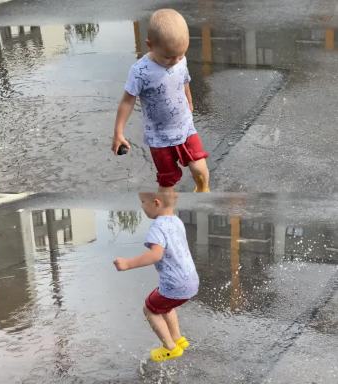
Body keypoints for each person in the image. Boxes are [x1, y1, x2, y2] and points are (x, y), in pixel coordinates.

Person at [113, 9, 210, 192]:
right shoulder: (140, 72)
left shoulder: (179, 59)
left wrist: (189, 101)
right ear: (150, 45)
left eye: (180, 55)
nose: (175, 61)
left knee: (200, 169)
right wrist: (118, 132)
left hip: (185, 127)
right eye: (168, 57)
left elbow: (184, 80)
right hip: (159, 138)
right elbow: (127, 101)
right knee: (167, 181)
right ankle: (167, 211)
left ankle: (203, 191)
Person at [113, 191, 199, 362]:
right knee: (166, 306)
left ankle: (170, 347)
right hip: (191, 280)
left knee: (150, 308)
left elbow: (156, 254)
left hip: (175, 283)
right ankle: (177, 338)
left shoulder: (158, 226)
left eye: (143, 201)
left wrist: (127, 264)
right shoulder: (176, 221)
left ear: (156, 203)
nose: (141, 205)